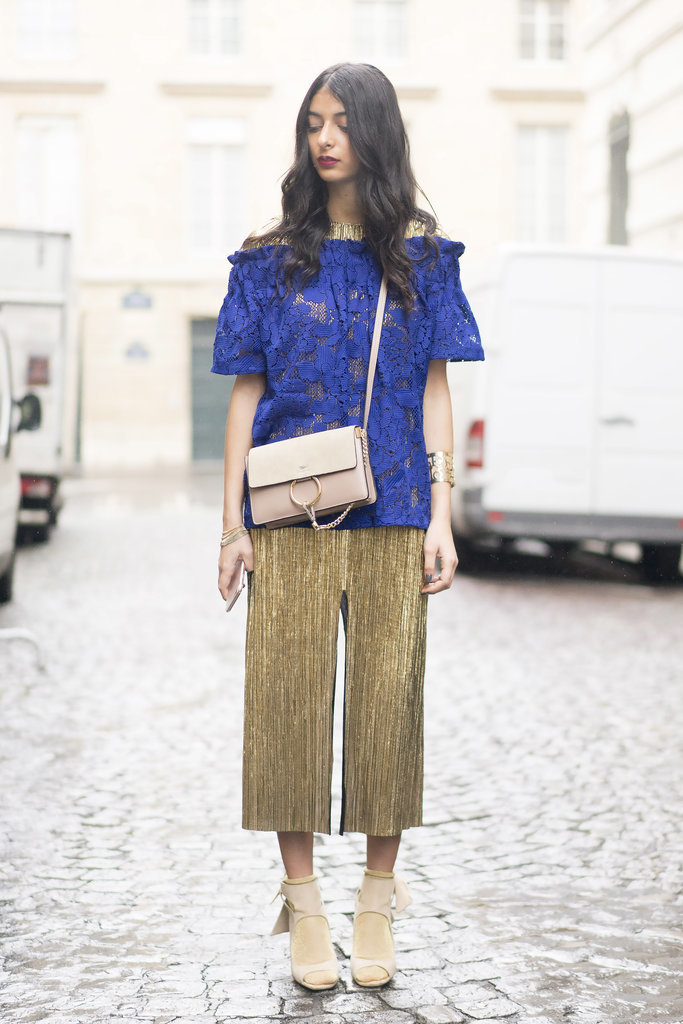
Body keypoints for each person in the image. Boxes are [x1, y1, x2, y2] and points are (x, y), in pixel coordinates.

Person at [212, 62, 483, 992]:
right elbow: (246, 398)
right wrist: (230, 529)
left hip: (396, 506)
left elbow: (436, 387)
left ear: (376, 134)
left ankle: (376, 894)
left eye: (341, 123)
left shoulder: (420, 258)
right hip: (286, 519)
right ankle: (304, 904)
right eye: (312, 124)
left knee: (384, 711)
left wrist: (442, 514)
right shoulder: (266, 259)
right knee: (284, 709)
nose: (324, 138)